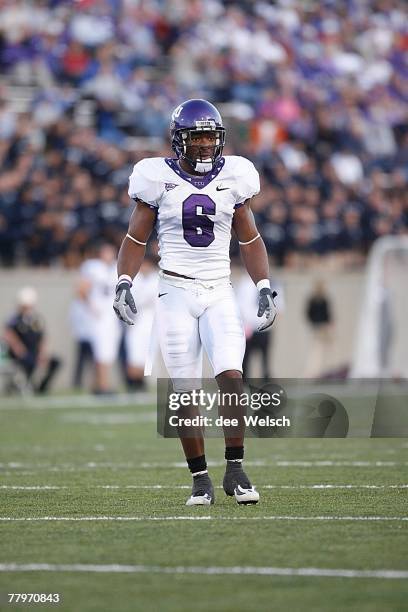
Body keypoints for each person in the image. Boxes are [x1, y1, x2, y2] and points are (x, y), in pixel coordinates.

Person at [113, 99, 277, 506]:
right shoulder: (156, 179)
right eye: (197, 137)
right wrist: (123, 282)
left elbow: (249, 238)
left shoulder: (235, 175)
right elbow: (136, 238)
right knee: (184, 392)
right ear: (179, 141)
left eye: (210, 137)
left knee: (231, 377)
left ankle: (236, 471)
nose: (205, 145)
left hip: (219, 289)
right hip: (175, 291)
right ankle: (200, 478)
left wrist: (263, 285)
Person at [80, 242, 121, 394]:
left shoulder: (116, 267)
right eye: (106, 252)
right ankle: (103, 386)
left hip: (112, 317)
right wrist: (92, 308)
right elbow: (81, 290)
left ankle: (98, 385)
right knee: (102, 352)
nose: (109, 255)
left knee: (109, 352)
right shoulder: (93, 267)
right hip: (100, 317)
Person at [2, 287, 61, 393]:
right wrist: (19, 349)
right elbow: (9, 335)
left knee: (56, 362)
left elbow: (42, 337)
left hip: (34, 353)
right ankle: (22, 386)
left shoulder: (36, 319)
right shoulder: (15, 319)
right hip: (21, 354)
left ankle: (41, 388)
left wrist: (42, 353)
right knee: (29, 361)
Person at [124, 256, 158, 390]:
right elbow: (131, 302)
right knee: (135, 353)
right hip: (137, 322)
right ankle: (135, 384)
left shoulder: (157, 278)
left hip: (153, 322)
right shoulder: (134, 280)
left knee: (149, 355)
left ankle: (144, 383)